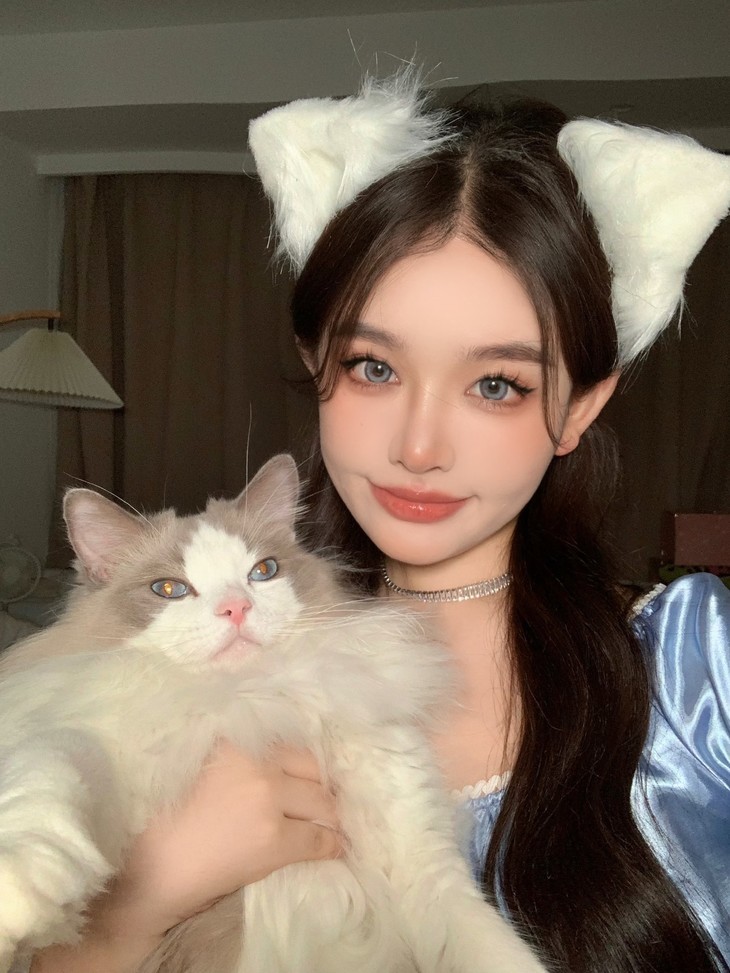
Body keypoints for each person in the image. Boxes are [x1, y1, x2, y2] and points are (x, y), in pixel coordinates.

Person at [30, 74, 730, 973]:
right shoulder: (147, 678)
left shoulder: (697, 677)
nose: (419, 446)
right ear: (316, 361)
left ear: (580, 407)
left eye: (496, 383)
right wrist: (128, 914)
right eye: (373, 367)